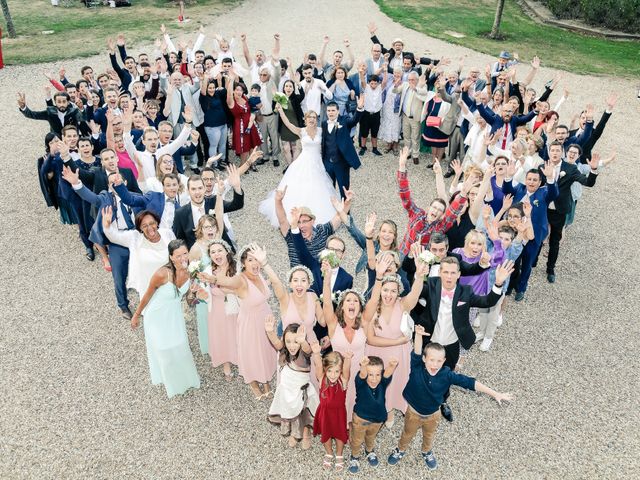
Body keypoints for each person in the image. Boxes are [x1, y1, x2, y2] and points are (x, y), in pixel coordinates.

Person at [387, 326, 513, 471]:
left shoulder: (447, 375)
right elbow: (416, 350)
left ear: (444, 360)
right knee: (407, 433)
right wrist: (419, 335)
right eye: (431, 360)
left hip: (433, 415)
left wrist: (495, 393)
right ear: (424, 359)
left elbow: (470, 383)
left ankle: (426, 452)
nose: (435, 364)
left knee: (429, 435)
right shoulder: (416, 367)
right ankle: (400, 449)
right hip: (413, 413)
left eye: (439, 361)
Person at [413, 257, 514, 422]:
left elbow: (487, 301)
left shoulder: (465, 292)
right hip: (428, 341)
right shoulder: (431, 284)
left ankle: (442, 401)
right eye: (445, 272)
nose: (449, 276)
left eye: (453, 273)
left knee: (447, 375)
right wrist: (418, 276)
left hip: (451, 346)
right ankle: (419, 399)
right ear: (439, 272)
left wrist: (498, 284)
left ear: (459, 274)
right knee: (421, 371)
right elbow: (414, 293)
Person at [130, 239, 202, 398]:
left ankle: (186, 379)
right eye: (178, 255)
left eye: (185, 253)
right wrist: (136, 315)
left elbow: (190, 302)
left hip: (174, 316)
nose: (183, 258)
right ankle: (172, 383)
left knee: (181, 346)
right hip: (156, 316)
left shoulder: (192, 271)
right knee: (164, 350)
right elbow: (147, 295)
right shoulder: (162, 274)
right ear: (171, 257)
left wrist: (193, 293)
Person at [363, 255, 428, 427]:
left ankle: (391, 409)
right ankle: (379, 409)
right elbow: (370, 339)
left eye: (393, 291)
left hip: (400, 356)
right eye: (385, 290)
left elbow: (415, 294)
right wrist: (398, 341)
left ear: (398, 292)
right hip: (378, 354)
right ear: (380, 290)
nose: (389, 294)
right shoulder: (372, 309)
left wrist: (420, 276)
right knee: (377, 383)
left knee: (396, 383)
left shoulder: (402, 304)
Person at [207, 244, 276, 399]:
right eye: (250, 260)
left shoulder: (259, 276)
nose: (255, 263)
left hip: (265, 318)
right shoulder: (241, 280)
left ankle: (265, 381)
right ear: (243, 263)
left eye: (257, 259)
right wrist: (214, 278)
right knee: (252, 353)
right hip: (250, 323)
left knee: (265, 350)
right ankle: (253, 383)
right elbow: (229, 283)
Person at [260, 105, 339, 227]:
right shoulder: (301, 131)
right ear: (305, 119)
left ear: (316, 119)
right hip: (304, 162)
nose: (312, 119)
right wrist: (280, 111)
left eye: (314, 117)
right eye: (309, 117)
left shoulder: (320, 130)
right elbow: (287, 124)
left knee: (318, 185)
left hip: (317, 162)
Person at [396, 147, 472, 254]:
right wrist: (402, 166)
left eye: (439, 210)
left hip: (421, 262)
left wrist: (463, 193)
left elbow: (452, 213)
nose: (436, 211)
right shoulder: (416, 214)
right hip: (404, 252)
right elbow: (405, 195)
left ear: (441, 215)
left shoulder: (441, 226)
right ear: (429, 208)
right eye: (434, 207)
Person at [502, 162, 558, 301]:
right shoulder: (520, 188)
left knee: (527, 263)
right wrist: (508, 176)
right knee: (513, 260)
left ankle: (521, 288)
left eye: (535, 180)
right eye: (529, 179)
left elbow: (554, 193)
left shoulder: (544, 193)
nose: (531, 182)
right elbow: (507, 189)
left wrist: (550, 178)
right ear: (525, 179)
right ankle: (510, 285)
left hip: (533, 235)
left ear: (540, 182)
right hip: (516, 233)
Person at [321, 261, 368, 424]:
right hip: (338, 374)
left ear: (360, 308)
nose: (352, 303)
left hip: (360, 372)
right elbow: (327, 303)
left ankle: (352, 423)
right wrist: (327, 280)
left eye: (356, 301)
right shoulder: (334, 325)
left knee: (356, 403)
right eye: (348, 300)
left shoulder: (364, 324)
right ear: (341, 307)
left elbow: (375, 300)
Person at [264, 319, 319, 450]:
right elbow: (277, 344)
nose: (292, 345)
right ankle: (294, 434)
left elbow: (307, 349)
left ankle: (306, 434)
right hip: (287, 390)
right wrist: (270, 332)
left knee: (303, 414)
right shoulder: (285, 349)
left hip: (301, 391)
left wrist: (302, 341)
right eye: (288, 341)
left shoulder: (303, 353)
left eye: (295, 342)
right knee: (291, 414)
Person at [347, 356, 398, 474]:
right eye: (371, 375)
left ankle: (369, 451)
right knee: (357, 439)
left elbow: (387, 374)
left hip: (377, 419)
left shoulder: (382, 384)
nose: (374, 379)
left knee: (371, 437)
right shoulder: (361, 383)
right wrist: (364, 366)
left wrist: (391, 366)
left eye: (377, 375)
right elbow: (362, 374)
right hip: (360, 418)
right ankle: (355, 456)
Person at [201, 239, 239, 380]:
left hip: (235, 309)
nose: (217, 254)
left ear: (227, 251)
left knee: (237, 335)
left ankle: (241, 359)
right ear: (210, 256)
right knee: (222, 337)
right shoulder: (208, 271)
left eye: (219, 250)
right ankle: (226, 364)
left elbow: (241, 290)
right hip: (216, 310)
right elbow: (206, 295)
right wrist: (199, 293)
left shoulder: (237, 268)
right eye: (213, 252)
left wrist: (229, 290)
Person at [311, 345, 352, 472]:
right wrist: (316, 353)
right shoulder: (322, 378)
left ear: (340, 371)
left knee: (340, 435)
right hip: (324, 413)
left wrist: (348, 359)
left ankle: (339, 453)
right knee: (326, 433)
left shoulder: (343, 381)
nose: (333, 375)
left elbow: (346, 369)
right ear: (325, 370)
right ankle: (328, 452)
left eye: (336, 371)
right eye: (329, 371)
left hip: (339, 414)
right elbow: (318, 365)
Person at [321, 99, 365, 199]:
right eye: (328, 111)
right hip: (327, 163)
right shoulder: (324, 124)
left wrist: (359, 108)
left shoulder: (344, 120)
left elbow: (354, 120)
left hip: (341, 163)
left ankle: (346, 213)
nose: (330, 113)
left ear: (338, 111)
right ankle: (331, 210)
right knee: (328, 188)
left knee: (344, 189)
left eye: (333, 110)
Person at [226, 73, 263, 167]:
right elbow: (229, 94)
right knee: (244, 148)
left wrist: (258, 108)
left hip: (250, 124)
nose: (239, 92)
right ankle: (243, 166)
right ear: (233, 91)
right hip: (241, 126)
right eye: (237, 90)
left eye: (241, 90)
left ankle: (251, 163)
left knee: (253, 144)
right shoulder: (231, 102)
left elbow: (253, 108)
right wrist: (231, 81)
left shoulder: (244, 97)